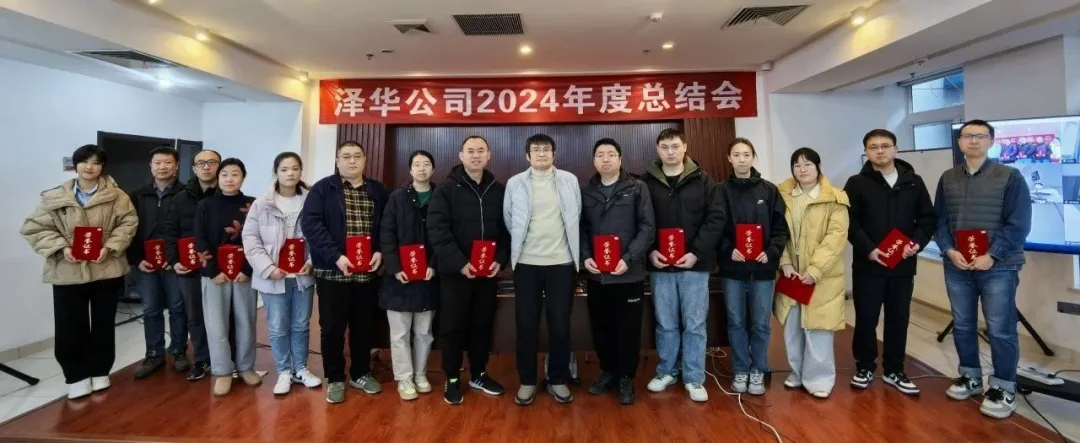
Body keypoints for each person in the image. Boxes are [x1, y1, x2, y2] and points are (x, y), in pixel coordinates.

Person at [20, 144, 138, 399]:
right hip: (67, 270)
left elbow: (128, 224)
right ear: (75, 165)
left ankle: (100, 370)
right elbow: (34, 228)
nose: (89, 167)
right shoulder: (54, 197)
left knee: (104, 324)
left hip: (106, 269)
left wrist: (110, 246)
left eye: (95, 162)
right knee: (69, 325)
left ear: (102, 167)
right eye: (84, 162)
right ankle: (75, 375)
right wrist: (61, 248)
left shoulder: (118, 196)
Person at [935, 120, 1031, 419]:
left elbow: (1019, 224)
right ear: (960, 142)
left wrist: (992, 255)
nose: (973, 141)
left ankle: (1003, 386)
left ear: (991, 141)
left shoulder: (1010, 176)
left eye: (980, 136)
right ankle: (970, 376)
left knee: (1000, 329)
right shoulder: (948, 177)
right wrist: (949, 250)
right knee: (963, 324)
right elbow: (940, 220)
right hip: (958, 265)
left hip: (998, 267)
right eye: (967, 136)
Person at [844, 129, 936, 395]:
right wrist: (869, 249)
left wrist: (916, 243)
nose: (880, 151)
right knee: (866, 319)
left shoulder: (913, 182)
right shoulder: (856, 183)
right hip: (868, 265)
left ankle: (895, 369)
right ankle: (864, 366)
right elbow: (849, 222)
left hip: (902, 265)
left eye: (885, 145)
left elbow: (927, 219)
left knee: (899, 318)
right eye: (873, 147)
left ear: (896, 149)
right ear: (866, 152)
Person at [302, 141, 389, 404]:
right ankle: (336, 378)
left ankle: (361, 373)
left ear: (365, 159)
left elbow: (387, 226)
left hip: (366, 273)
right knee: (332, 328)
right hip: (333, 272)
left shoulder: (378, 190)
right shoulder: (322, 189)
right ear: (337, 160)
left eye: (357, 156)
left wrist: (380, 251)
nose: (352, 161)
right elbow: (312, 226)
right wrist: (336, 257)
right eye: (346, 156)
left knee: (363, 326)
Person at [642, 128, 724, 402]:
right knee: (665, 323)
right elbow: (640, 221)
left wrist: (696, 253)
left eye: (675, 146)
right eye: (665, 147)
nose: (670, 152)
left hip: (694, 266)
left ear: (685, 147)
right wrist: (650, 252)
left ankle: (694, 376)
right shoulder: (645, 182)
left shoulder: (704, 181)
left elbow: (716, 219)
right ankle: (666, 371)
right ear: (657, 149)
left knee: (694, 323)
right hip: (660, 265)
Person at [428, 135, 510, 405]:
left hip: (487, 273)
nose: (476, 155)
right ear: (461, 155)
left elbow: (507, 230)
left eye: (480, 151)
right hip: (456, 273)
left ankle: (479, 373)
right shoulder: (445, 189)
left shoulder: (498, 189)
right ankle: (452, 377)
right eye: (470, 151)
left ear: (489, 155)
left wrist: (500, 259)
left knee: (482, 324)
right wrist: (461, 263)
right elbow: (437, 231)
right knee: (452, 326)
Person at [503, 133, 582, 405]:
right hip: (526, 264)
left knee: (560, 324)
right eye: (536, 150)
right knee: (526, 325)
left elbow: (576, 215)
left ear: (554, 154)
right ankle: (527, 381)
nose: (541, 154)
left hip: (561, 263)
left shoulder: (569, 180)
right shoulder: (515, 183)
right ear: (527, 155)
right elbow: (509, 219)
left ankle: (557, 379)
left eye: (546, 149)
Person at [580, 138, 655, 405]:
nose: (606, 159)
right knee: (601, 327)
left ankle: (626, 378)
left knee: (628, 329)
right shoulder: (586, 191)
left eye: (611, 154)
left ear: (620, 159)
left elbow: (647, 228)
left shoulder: (637, 187)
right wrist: (585, 257)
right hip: (597, 275)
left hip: (628, 273)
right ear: (594, 161)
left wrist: (629, 257)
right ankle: (608, 372)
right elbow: (580, 229)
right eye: (600, 155)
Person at [241, 152, 322, 396]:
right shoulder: (261, 203)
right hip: (273, 277)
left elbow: (320, 235)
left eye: (295, 168)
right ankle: (284, 371)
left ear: (301, 171)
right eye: (284, 169)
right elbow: (250, 239)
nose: (290, 173)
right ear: (276, 172)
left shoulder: (312, 200)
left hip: (302, 275)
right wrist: (268, 268)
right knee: (277, 326)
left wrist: (312, 262)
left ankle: (301, 369)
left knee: (301, 325)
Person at [716, 138, 789, 396]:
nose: (742, 159)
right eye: (736, 154)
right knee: (736, 321)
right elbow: (714, 227)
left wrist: (770, 253)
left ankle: (758, 368)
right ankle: (740, 369)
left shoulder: (769, 190)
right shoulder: (720, 191)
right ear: (729, 158)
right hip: (732, 270)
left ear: (754, 157)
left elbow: (781, 229)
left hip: (762, 270)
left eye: (746, 154)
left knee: (760, 323)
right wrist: (728, 249)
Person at [775, 147, 849, 399]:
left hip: (821, 276)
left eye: (807, 164)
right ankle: (797, 372)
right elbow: (777, 232)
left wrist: (815, 269)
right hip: (791, 275)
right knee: (792, 327)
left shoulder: (835, 198)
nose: (802, 169)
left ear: (818, 167)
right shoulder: (783, 195)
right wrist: (784, 262)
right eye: (797, 165)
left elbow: (836, 238)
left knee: (818, 328)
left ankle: (819, 378)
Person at [378, 150, 439, 401]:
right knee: (400, 333)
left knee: (424, 332)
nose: (422, 168)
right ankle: (404, 377)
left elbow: (446, 234)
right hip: (399, 276)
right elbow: (386, 234)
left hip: (428, 276)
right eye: (417, 164)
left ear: (433, 169)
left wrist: (434, 264)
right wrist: (395, 267)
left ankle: (420, 373)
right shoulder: (397, 197)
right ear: (410, 170)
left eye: (426, 164)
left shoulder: (441, 196)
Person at [195, 157, 258, 396]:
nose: (229, 179)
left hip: (244, 273)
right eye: (224, 174)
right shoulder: (206, 205)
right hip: (214, 274)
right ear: (218, 177)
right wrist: (212, 271)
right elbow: (199, 238)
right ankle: (222, 371)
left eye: (235, 174)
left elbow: (258, 239)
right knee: (216, 322)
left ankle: (246, 366)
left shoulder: (253, 205)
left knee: (246, 320)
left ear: (243, 177)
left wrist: (248, 270)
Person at [127, 146, 189, 380]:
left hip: (175, 262)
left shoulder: (186, 193)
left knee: (177, 307)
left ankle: (179, 350)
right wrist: (136, 259)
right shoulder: (137, 195)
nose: (162, 167)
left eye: (168, 162)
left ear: (177, 166)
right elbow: (128, 230)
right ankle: (154, 353)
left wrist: (175, 258)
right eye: (158, 163)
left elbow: (188, 229)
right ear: (150, 166)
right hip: (146, 262)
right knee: (151, 309)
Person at [164, 149, 222, 381]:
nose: (206, 167)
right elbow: (170, 231)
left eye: (211, 162)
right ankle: (201, 359)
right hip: (190, 268)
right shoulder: (180, 197)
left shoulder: (227, 194)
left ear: (219, 166)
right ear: (194, 168)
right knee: (195, 315)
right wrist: (174, 260)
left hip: (219, 268)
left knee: (222, 315)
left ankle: (224, 358)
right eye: (201, 163)